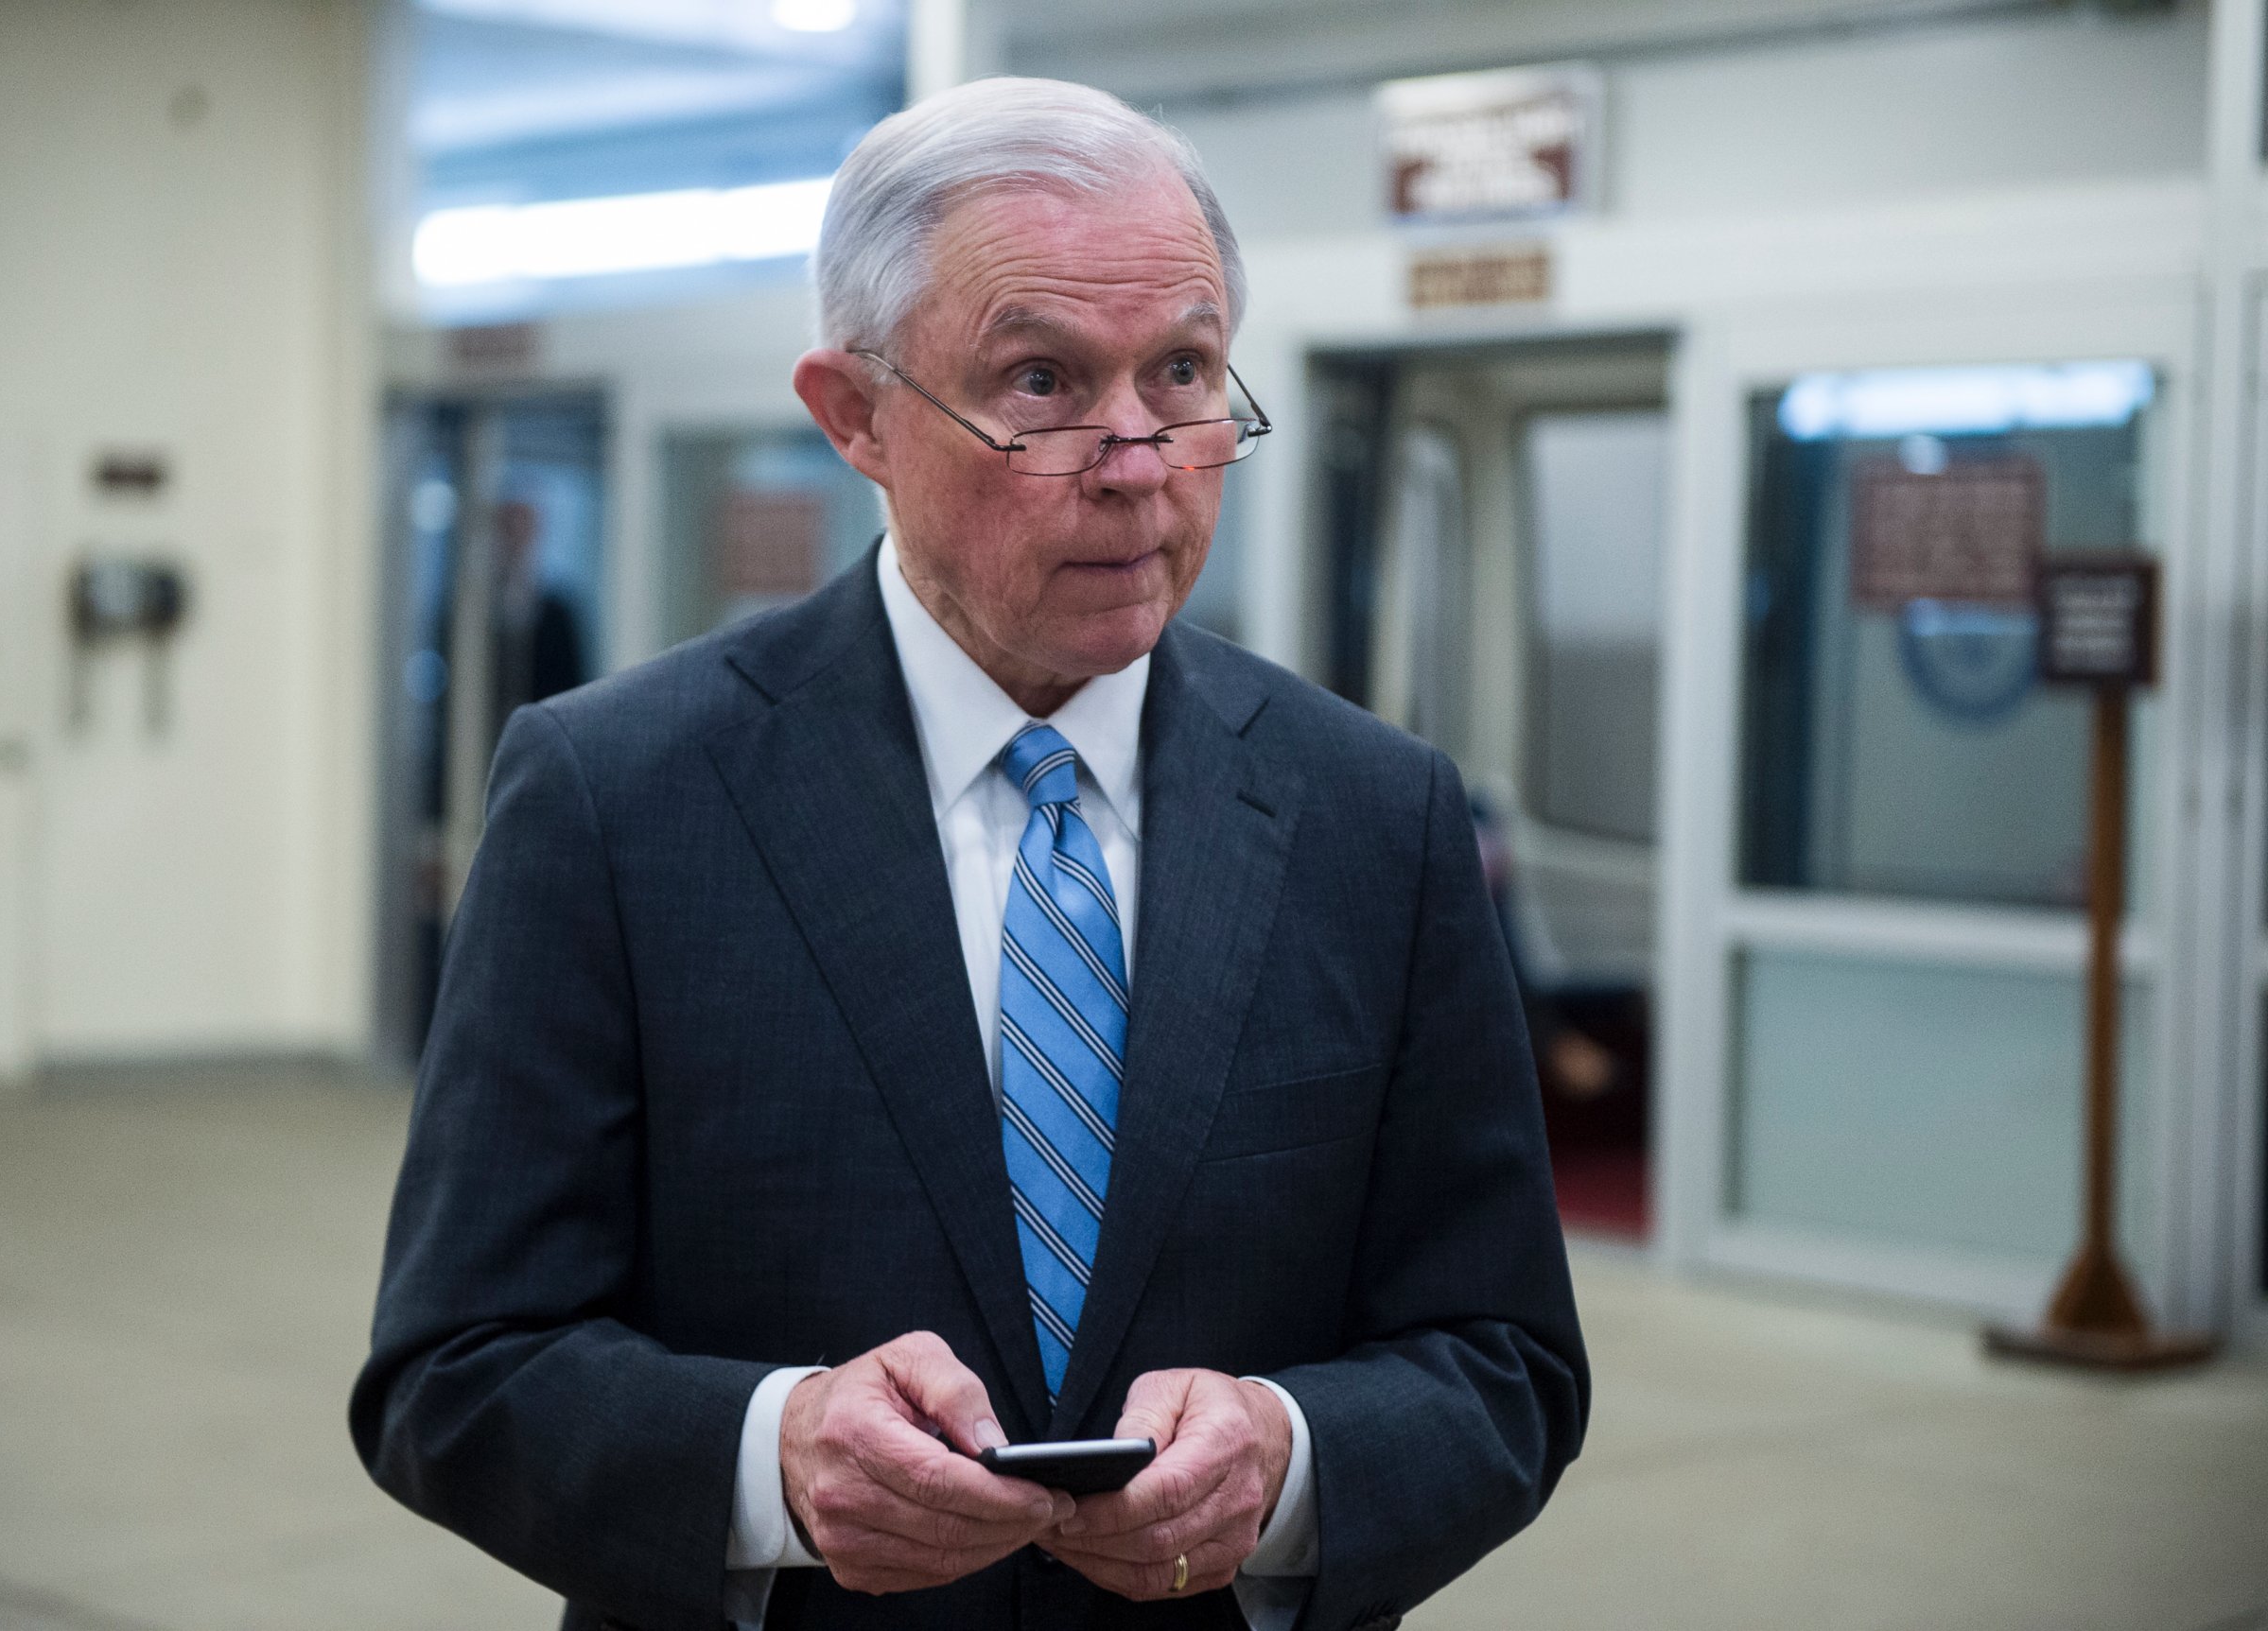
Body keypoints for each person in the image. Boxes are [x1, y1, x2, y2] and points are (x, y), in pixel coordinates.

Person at [352, 77, 1587, 1631]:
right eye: (1043, 382)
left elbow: (1504, 1359)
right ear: (855, 414)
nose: (1138, 457)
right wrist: (768, 1459)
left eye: (1186, 370)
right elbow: (453, 1368)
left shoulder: (1377, 818)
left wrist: (1292, 1459)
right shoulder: (618, 798)